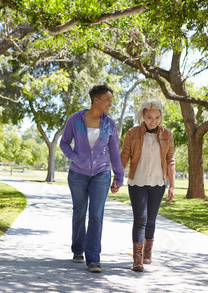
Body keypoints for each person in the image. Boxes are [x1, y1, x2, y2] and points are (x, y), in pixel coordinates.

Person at [60, 84, 124, 273]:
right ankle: (78, 249)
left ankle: (94, 258)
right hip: (77, 173)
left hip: (101, 173)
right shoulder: (76, 120)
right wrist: (75, 157)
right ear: (96, 100)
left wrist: (118, 176)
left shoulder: (109, 124)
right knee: (79, 212)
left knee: (96, 215)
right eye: (107, 100)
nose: (110, 104)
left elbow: (114, 152)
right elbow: (64, 143)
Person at [113, 99, 175, 272]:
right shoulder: (133, 133)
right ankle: (137, 259)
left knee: (151, 220)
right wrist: (117, 178)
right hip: (137, 182)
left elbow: (171, 160)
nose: (153, 121)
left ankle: (148, 252)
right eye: (149, 117)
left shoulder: (167, 134)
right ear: (142, 116)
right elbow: (124, 156)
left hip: (158, 183)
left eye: (156, 117)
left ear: (161, 117)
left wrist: (171, 186)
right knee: (140, 219)